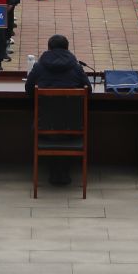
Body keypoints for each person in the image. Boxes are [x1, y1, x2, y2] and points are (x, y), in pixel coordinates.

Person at [24, 33, 88, 186]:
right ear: (67, 49)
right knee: (64, 125)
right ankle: (63, 170)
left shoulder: (39, 67)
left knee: (52, 125)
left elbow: (28, 90)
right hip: (74, 127)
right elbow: (89, 90)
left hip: (44, 127)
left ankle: (55, 170)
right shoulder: (76, 68)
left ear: (49, 49)